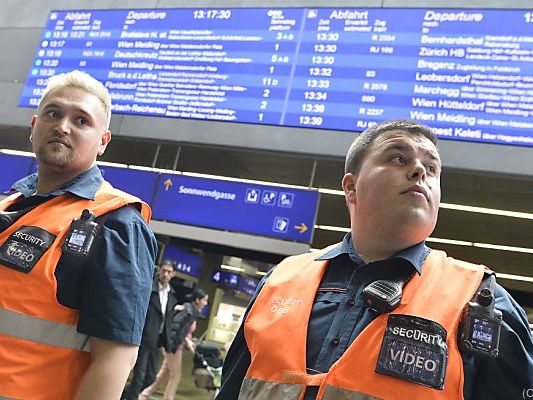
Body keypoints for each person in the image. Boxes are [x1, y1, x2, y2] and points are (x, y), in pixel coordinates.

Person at [217, 119, 533, 400]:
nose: (420, 171)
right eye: (398, 158)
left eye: (432, 169)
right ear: (351, 187)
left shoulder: (482, 301)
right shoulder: (278, 282)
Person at [0, 70, 157, 400]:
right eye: (53, 114)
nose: (62, 126)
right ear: (33, 127)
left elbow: (116, 359)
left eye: (82, 120)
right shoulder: (10, 204)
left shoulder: (118, 224)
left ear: (103, 141)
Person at [123, 260, 180, 400]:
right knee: (139, 376)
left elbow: (167, 319)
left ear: (173, 274)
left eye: (169, 271)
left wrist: (167, 342)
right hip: (143, 339)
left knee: (151, 377)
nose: (165, 274)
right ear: (158, 270)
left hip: (157, 342)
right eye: (163, 270)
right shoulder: (148, 289)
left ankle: (123, 394)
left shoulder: (171, 295)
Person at [139, 288, 209, 400]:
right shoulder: (188, 310)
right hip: (174, 346)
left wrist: (189, 340)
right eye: (204, 300)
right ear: (197, 300)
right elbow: (175, 329)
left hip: (174, 345)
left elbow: (183, 331)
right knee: (175, 376)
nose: (206, 303)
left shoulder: (192, 311)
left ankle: (144, 395)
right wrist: (178, 344)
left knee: (163, 373)